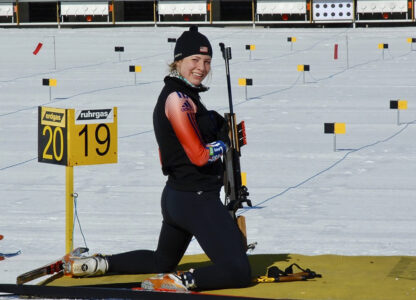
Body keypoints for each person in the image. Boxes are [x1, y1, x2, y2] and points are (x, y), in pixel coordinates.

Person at [65, 26, 251, 291]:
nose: (201, 67)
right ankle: (178, 282)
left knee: (161, 260)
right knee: (238, 271)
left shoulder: (185, 96)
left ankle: (99, 264)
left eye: (207, 61)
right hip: (195, 198)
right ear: (178, 62)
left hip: (179, 197)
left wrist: (215, 127)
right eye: (194, 60)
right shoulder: (178, 99)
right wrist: (225, 142)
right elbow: (198, 156)